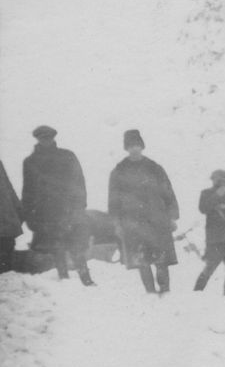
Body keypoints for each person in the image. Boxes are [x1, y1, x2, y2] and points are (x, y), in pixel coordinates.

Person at [20, 125, 95, 284]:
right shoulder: (30, 162)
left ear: (53, 138)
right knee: (57, 249)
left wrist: (80, 207)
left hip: (70, 211)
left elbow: (79, 182)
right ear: (38, 139)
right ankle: (64, 279)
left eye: (48, 138)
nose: (46, 141)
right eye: (42, 138)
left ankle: (86, 280)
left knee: (76, 248)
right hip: (46, 214)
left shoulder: (67, 156)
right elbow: (28, 191)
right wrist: (30, 217)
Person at [108, 129, 179, 293]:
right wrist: (117, 223)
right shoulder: (119, 171)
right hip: (133, 222)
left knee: (161, 259)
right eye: (131, 146)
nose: (134, 149)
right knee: (142, 260)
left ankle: (165, 291)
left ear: (142, 146)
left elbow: (167, 192)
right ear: (126, 148)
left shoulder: (154, 168)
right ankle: (150, 293)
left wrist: (172, 216)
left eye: (137, 145)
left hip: (157, 220)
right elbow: (113, 200)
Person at [0, 159, 20, 276]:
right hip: (6, 226)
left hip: (5, 226)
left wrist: (18, 210)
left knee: (6, 272)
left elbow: (8, 188)